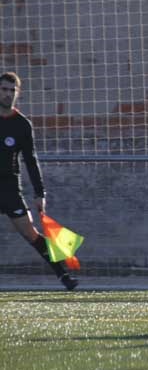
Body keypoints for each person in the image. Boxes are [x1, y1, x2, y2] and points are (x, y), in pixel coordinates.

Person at [0, 71, 77, 290]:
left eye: (11, 91)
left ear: (17, 93)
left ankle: (63, 275)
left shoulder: (22, 125)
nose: (7, 94)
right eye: (4, 89)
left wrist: (39, 193)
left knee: (31, 233)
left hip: (9, 188)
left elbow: (31, 161)